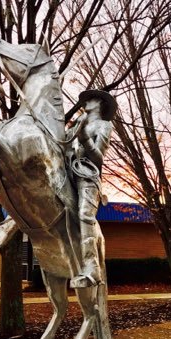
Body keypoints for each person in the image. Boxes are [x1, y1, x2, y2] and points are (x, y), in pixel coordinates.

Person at [68, 90, 117, 288]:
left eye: (91, 99)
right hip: (67, 170)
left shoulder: (104, 125)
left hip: (87, 174)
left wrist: (84, 137)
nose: (86, 102)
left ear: (101, 104)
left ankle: (91, 268)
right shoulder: (77, 123)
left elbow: (99, 158)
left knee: (85, 215)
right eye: (85, 99)